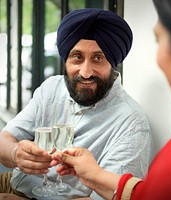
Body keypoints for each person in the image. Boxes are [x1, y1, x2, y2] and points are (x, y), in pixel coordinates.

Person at [51, 0, 171, 199]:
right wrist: (94, 175)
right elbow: (143, 194)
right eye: (77, 57)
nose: (85, 72)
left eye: (158, 39)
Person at [0, 8, 152, 200]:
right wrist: (16, 154)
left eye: (98, 58)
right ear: (66, 59)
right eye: (77, 57)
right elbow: (4, 139)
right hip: (12, 181)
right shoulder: (52, 89)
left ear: (113, 62)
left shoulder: (132, 124)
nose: (86, 72)